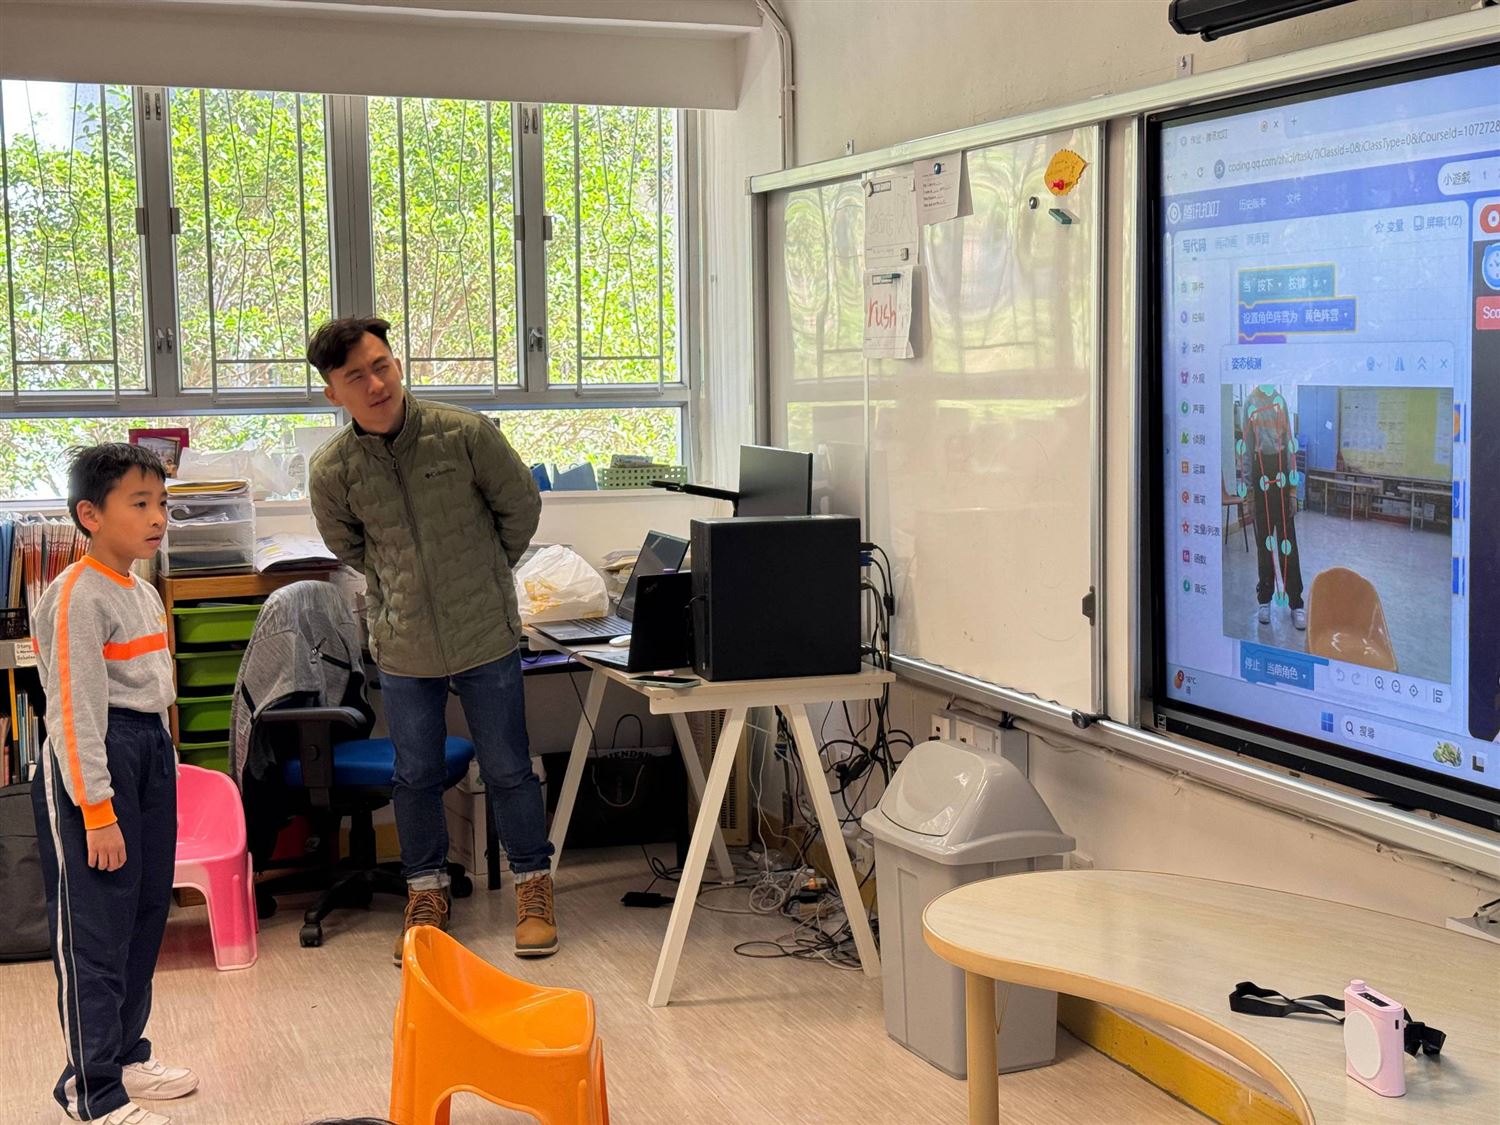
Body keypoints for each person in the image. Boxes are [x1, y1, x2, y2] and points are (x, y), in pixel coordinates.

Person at [305, 316, 555, 964]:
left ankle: (533, 887)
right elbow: (350, 546)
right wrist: (401, 588)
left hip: (485, 633)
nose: (376, 383)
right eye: (356, 376)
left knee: (508, 767)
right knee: (414, 775)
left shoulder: (465, 434)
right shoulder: (333, 470)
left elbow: (521, 507)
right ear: (333, 392)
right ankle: (425, 894)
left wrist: (484, 573)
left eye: (382, 365)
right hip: (404, 643)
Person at [31, 444, 199, 1125]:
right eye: (140, 503)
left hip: (148, 753)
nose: (158, 517)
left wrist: (165, 765)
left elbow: (153, 693)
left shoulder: (140, 589)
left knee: (145, 914)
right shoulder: (76, 595)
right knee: (95, 932)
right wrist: (96, 810)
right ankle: (91, 1088)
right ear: (90, 515)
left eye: (162, 504)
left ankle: (127, 1054)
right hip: (98, 762)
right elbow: (74, 714)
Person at [1240, 385, 1306, 631]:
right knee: (1264, 542)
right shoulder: (1249, 403)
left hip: (1281, 472)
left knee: (1287, 540)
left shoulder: (1280, 401)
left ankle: (1296, 602)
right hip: (1260, 473)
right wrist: (1249, 493)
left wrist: (1292, 491)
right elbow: (1246, 449)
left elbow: (1289, 446)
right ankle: (1264, 599)